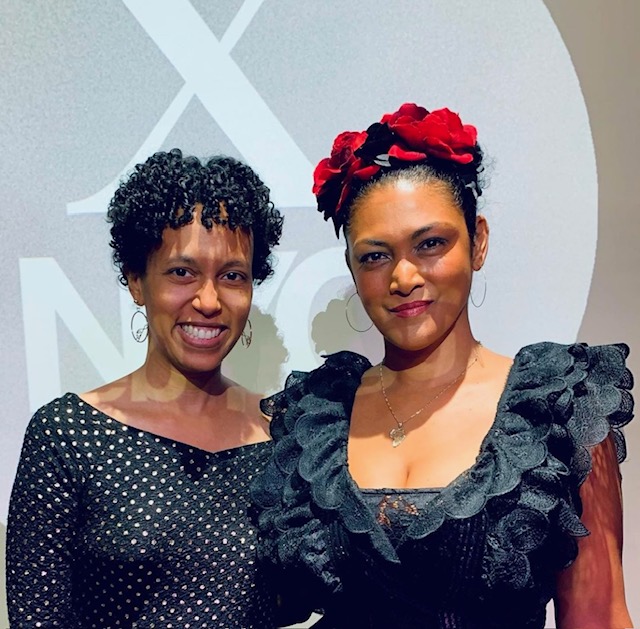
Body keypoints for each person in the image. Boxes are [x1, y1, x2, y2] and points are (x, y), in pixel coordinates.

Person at [251, 104, 635, 628]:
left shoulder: (561, 409)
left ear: (478, 241)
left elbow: (599, 618)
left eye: (430, 244)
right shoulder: (313, 418)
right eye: (375, 256)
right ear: (352, 268)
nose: (404, 276)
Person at [7, 149, 283, 628]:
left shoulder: (283, 433)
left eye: (232, 276)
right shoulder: (68, 436)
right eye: (182, 272)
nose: (209, 300)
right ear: (137, 281)